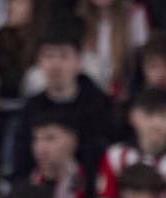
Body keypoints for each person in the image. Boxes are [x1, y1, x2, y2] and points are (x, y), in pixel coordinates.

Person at [13, 24, 114, 182]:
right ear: (39, 62)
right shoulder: (31, 107)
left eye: (64, 56)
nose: (55, 65)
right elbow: (21, 160)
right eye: (48, 56)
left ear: (79, 62)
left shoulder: (100, 104)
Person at [97, 88, 166, 198]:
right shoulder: (115, 156)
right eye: (149, 114)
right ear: (133, 117)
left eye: (164, 115)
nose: (156, 123)